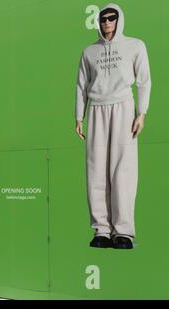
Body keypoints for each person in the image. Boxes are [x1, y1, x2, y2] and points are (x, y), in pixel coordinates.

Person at [75, 3, 151, 249]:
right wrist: (79, 116)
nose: (107, 22)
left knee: (123, 169)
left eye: (111, 18)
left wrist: (142, 113)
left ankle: (124, 231)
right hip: (96, 109)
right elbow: (81, 85)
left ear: (119, 20)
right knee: (96, 170)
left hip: (123, 107)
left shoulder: (135, 46)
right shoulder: (88, 52)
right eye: (103, 18)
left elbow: (144, 81)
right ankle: (101, 230)